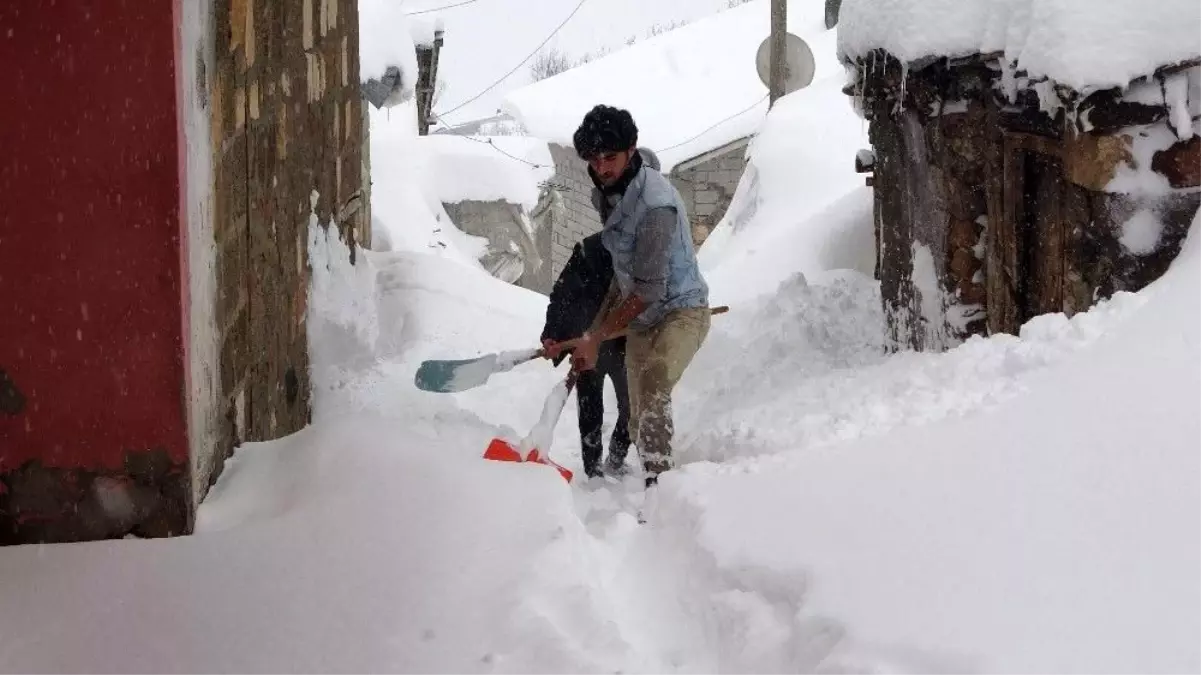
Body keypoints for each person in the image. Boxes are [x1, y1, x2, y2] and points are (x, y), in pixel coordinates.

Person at [544, 105, 711, 489]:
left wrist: (597, 336)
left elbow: (649, 288)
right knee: (637, 414)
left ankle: (661, 487)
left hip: (681, 309)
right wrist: (587, 332)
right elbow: (623, 275)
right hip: (641, 316)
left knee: (654, 385)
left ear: (631, 151)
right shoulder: (607, 195)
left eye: (611, 158)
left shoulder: (656, 207)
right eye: (594, 159)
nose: (602, 168)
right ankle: (649, 470)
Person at [540, 230, 631, 479]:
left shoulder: (643, 250)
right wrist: (552, 335)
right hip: (587, 343)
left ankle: (616, 456)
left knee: (633, 406)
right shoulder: (589, 249)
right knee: (590, 410)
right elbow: (562, 294)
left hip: (626, 345)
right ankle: (593, 471)